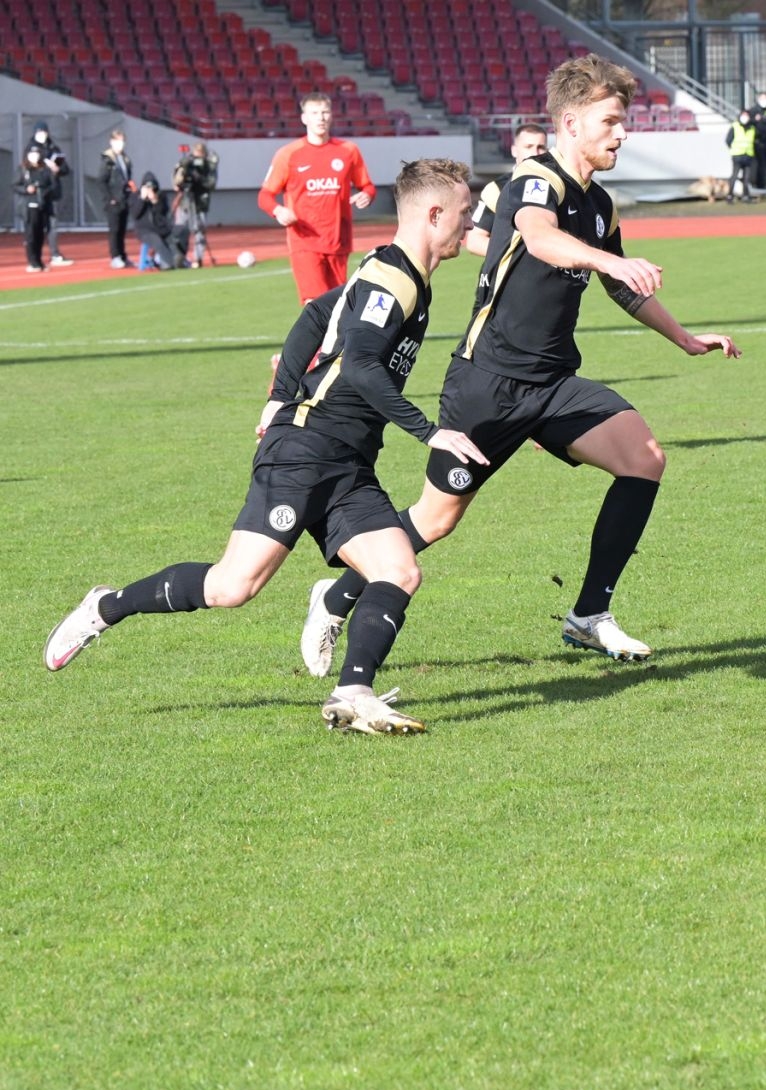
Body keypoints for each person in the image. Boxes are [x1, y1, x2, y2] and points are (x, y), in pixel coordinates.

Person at [299, 55, 741, 676]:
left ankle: (589, 614)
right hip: (488, 383)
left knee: (644, 458)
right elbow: (538, 237)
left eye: (624, 121)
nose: (622, 133)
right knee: (435, 519)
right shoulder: (536, 179)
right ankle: (337, 594)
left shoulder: (601, 204)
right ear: (571, 123)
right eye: (610, 121)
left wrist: (684, 338)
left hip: (553, 383)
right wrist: (610, 261)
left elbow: (621, 287)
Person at [45, 160, 484, 736]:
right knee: (233, 587)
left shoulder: (395, 271)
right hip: (305, 449)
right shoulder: (393, 278)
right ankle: (106, 606)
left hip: (348, 461)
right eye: (464, 212)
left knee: (399, 571)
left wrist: (277, 396)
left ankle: (354, 693)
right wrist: (428, 431)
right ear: (434, 213)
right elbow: (361, 365)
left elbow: (316, 313)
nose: (469, 222)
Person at [258, 92, 376, 304]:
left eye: (325, 112)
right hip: (305, 241)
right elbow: (265, 196)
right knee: (315, 304)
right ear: (304, 118)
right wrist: (278, 210)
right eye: (314, 113)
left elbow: (367, 186)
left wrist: (366, 195)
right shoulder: (289, 154)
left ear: (331, 115)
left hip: (338, 241)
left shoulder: (348, 151)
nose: (321, 118)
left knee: (337, 307)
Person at [465, 123, 547, 257]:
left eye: (541, 147)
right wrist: (519, 259)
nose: (535, 153)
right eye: (528, 147)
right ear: (514, 150)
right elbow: (474, 241)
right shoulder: (497, 189)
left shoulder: (558, 185)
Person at [26, 123, 72, 267]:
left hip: (53, 192)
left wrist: (57, 168)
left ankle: (55, 254)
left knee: (53, 224)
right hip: (38, 195)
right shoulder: (31, 149)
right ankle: (34, 258)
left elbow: (65, 169)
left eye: (44, 132)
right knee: (36, 227)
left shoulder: (53, 148)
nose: (42, 135)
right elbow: (28, 168)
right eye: (39, 132)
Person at [172, 140, 219, 268]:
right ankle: (179, 257)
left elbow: (211, 184)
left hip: (200, 202)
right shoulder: (186, 163)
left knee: (199, 230)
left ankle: (197, 259)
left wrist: (199, 178)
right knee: (181, 230)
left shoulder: (208, 166)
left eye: (200, 155)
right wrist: (183, 171)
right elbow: (176, 182)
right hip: (185, 201)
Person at [16, 144, 57, 272]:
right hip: (29, 206)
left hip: (43, 205)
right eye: (32, 154)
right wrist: (26, 189)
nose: (34, 156)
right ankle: (32, 261)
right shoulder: (24, 170)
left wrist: (43, 192)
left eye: (36, 154)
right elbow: (15, 185)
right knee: (31, 234)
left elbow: (52, 185)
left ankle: (39, 261)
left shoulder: (45, 169)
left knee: (40, 234)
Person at [99, 129, 136, 268]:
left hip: (124, 198)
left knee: (122, 229)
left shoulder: (125, 159)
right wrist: (110, 198)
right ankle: (115, 256)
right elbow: (102, 181)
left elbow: (127, 178)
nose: (120, 144)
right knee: (114, 229)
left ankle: (122, 255)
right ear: (112, 142)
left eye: (122, 141)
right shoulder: (108, 160)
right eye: (117, 141)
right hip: (114, 200)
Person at [129, 172, 179, 270]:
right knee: (157, 241)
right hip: (144, 230)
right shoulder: (135, 197)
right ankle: (168, 263)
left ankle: (178, 258)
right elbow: (135, 214)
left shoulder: (161, 196)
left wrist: (155, 201)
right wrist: (142, 199)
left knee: (179, 233)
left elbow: (163, 213)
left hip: (160, 227)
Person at [726, 108, 758, 203]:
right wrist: (734, 149)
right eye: (743, 115)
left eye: (747, 116)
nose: (745, 117)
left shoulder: (752, 128)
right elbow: (728, 140)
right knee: (734, 176)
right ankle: (730, 195)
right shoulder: (735, 126)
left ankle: (746, 196)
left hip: (748, 155)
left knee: (747, 178)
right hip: (737, 155)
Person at [748, 90, 766, 190]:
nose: (765, 100)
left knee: (763, 164)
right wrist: (755, 119)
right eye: (763, 98)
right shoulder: (753, 111)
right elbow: (747, 122)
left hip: (765, 141)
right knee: (755, 164)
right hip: (755, 140)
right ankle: (754, 183)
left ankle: (761, 184)